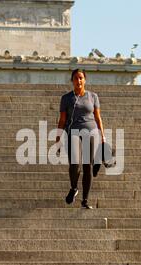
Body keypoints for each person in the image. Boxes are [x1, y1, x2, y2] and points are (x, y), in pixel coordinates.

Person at [56, 69, 106, 209]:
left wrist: (102, 135)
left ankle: (85, 200)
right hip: (73, 132)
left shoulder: (93, 96)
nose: (78, 81)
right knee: (74, 164)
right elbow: (62, 120)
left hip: (91, 133)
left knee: (87, 166)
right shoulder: (66, 98)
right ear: (72, 80)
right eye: (76, 78)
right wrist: (58, 137)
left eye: (81, 78)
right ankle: (73, 188)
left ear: (85, 80)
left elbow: (97, 117)